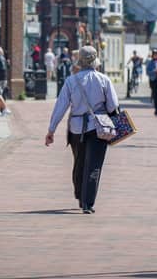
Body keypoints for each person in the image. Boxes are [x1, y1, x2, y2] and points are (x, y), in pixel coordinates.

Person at [44, 46, 119, 214]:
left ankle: (79, 195)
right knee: (94, 165)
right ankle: (88, 202)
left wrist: (51, 130)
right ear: (95, 61)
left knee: (79, 162)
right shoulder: (104, 80)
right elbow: (113, 105)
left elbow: (60, 107)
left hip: (76, 128)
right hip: (99, 127)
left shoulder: (71, 81)